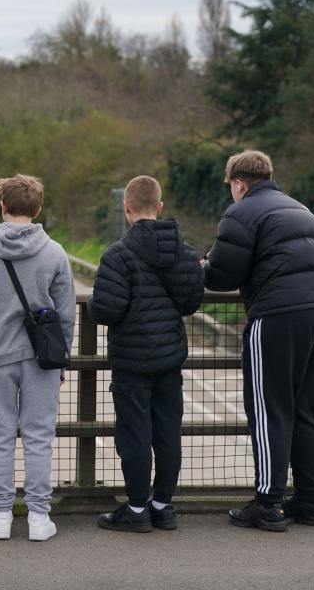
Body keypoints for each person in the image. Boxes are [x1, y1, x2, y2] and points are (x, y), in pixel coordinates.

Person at [203, 150, 314, 532]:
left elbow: (221, 275)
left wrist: (201, 265)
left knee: (268, 410)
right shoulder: (301, 209)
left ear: (238, 182)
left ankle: (268, 502)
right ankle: (312, 502)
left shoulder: (243, 211)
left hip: (281, 314)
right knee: (303, 410)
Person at [0, 175, 75, 542]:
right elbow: (67, 313)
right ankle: (39, 517)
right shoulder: (55, 253)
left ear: (2, 206)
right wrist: (60, 359)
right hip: (41, 359)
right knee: (39, 435)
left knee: (0, 435)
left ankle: (1, 515)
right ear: (37, 208)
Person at [88, 175, 204, 532]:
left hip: (132, 361)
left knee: (134, 434)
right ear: (159, 206)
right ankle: (163, 505)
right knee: (168, 431)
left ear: (126, 208)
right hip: (169, 358)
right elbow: (191, 302)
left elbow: (106, 311)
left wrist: (93, 303)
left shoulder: (118, 254)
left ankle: (137, 510)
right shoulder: (183, 253)